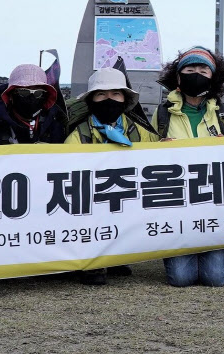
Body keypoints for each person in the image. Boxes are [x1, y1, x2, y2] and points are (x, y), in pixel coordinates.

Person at [150, 46, 224, 287]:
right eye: (190, 69)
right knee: (180, 278)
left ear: (214, 76)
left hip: (215, 205)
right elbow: (146, 158)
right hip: (177, 206)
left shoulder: (223, 113)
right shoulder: (162, 114)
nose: (196, 73)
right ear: (178, 77)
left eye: (203, 69)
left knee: (216, 278)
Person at [65, 67, 154, 285]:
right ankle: (90, 261)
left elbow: (159, 153)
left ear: (124, 99)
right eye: (101, 94)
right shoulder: (79, 135)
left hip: (126, 196)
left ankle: (117, 257)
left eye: (115, 94)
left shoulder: (138, 131)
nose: (109, 99)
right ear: (91, 100)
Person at [0, 64, 66, 145]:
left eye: (38, 93)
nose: (31, 98)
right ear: (11, 96)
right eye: (24, 92)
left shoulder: (55, 129)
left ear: (45, 96)